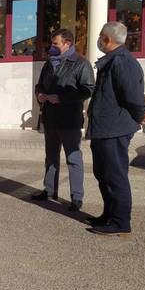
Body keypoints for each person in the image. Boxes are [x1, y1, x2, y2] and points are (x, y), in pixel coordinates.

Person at [86, 21, 145, 236]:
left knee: (115, 175)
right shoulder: (113, 60)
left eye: (100, 36)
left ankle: (121, 222)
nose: (98, 40)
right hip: (105, 127)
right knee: (103, 173)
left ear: (107, 39)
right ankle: (109, 215)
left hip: (113, 128)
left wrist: (139, 114)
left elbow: (132, 96)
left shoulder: (122, 61)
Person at [32, 29, 94, 211]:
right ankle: (49, 190)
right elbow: (40, 85)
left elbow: (88, 89)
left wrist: (61, 98)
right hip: (50, 118)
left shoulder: (81, 63)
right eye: (51, 43)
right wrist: (40, 94)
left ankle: (77, 198)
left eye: (55, 44)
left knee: (73, 158)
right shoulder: (49, 63)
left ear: (67, 44)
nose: (51, 47)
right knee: (50, 157)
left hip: (69, 119)